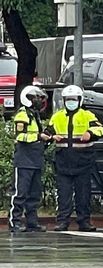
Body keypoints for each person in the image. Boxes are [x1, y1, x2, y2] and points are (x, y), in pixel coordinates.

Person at [43, 85, 103, 232]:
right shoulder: (57, 116)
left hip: (83, 161)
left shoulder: (87, 115)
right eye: (68, 99)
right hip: (63, 161)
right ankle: (62, 221)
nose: (71, 102)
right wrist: (50, 137)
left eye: (74, 99)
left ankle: (84, 222)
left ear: (80, 100)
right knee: (63, 194)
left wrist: (90, 133)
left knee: (83, 194)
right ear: (64, 101)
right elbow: (46, 133)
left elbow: (100, 129)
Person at [9, 85, 48, 232]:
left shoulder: (34, 115)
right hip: (24, 161)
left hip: (36, 160)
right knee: (20, 193)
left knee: (34, 194)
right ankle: (15, 222)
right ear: (28, 99)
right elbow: (20, 136)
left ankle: (32, 222)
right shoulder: (22, 115)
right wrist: (39, 136)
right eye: (36, 98)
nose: (38, 100)